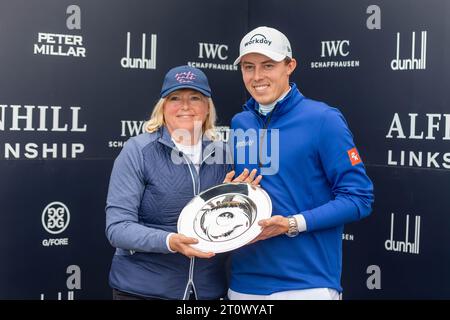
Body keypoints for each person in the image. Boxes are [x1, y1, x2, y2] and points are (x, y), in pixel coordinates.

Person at [228, 26, 374, 300]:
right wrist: (230, 195)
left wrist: (291, 224)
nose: (257, 76)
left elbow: (359, 199)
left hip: (307, 284)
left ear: (289, 66)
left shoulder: (324, 119)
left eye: (268, 65)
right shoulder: (240, 123)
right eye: (249, 67)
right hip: (244, 284)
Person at [105, 65, 261, 300]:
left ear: (207, 107)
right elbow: (117, 228)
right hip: (143, 291)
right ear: (163, 107)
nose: (185, 106)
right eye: (175, 98)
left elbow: (223, 226)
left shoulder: (224, 154)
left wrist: (235, 199)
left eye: (195, 98)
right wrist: (170, 241)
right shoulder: (138, 150)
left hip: (205, 292)